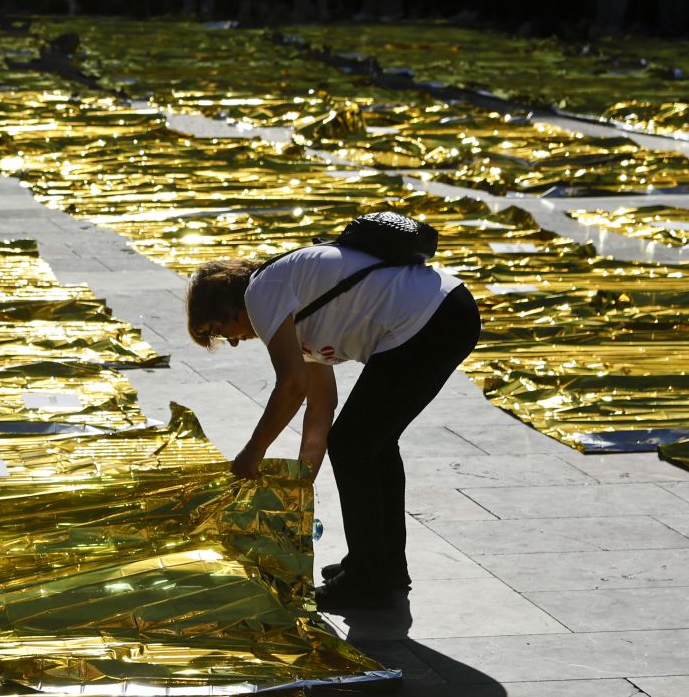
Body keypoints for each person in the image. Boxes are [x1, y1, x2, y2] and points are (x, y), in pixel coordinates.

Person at [185, 239, 479, 611]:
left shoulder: (263, 291)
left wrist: (251, 454)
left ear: (228, 303)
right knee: (372, 444)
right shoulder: (293, 306)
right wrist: (301, 480)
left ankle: (366, 580)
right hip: (445, 313)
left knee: (355, 444)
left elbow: (290, 387)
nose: (232, 342)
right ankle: (384, 566)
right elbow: (321, 405)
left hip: (430, 319)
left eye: (219, 329)